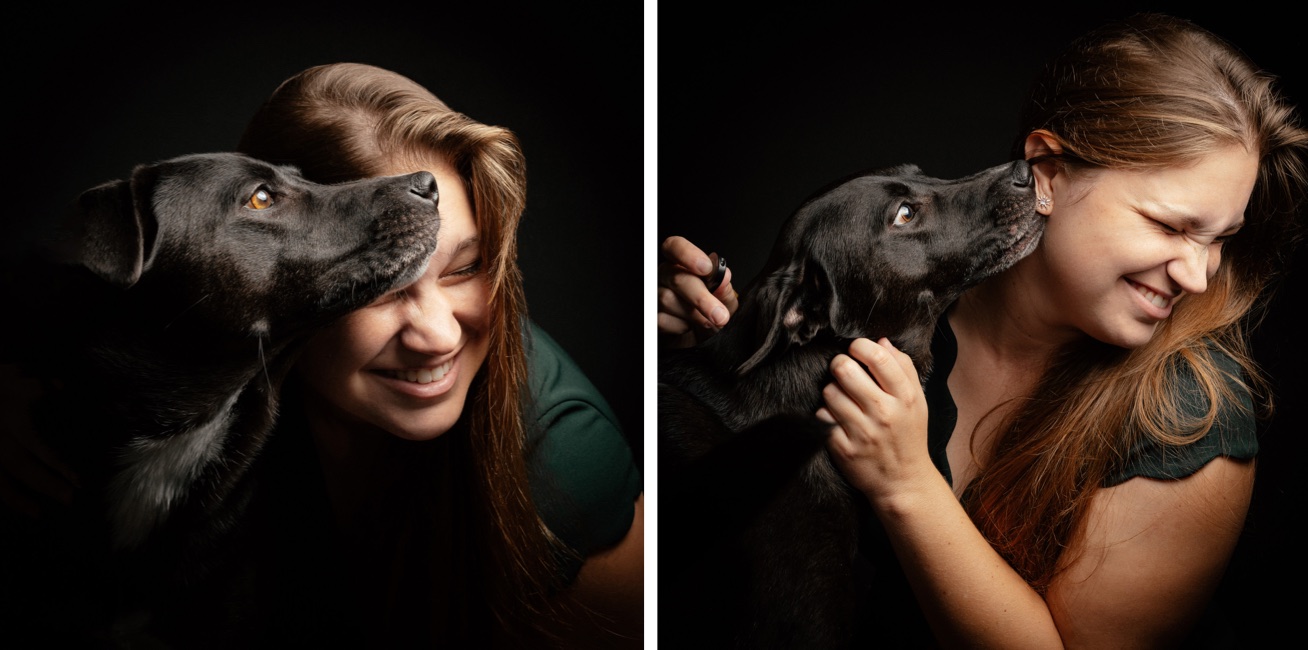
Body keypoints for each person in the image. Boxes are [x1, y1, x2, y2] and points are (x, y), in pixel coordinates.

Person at [660, 13, 1305, 647]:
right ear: (1047, 172)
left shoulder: (1193, 420)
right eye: (1169, 227)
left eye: (1220, 238)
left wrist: (907, 483)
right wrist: (720, 357)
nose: (1198, 275)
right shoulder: (906, 311)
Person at [230, 62, 645, 647]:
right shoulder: (194, 382)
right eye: (380, 284)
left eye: (465, 268)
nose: (440, 336)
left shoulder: (566, 462)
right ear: (268, 285)